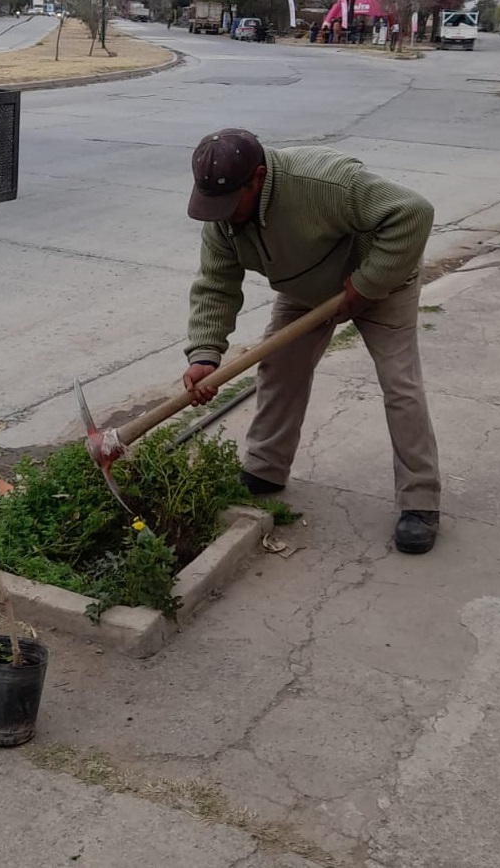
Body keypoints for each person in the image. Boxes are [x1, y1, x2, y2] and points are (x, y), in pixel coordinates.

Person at [182, 128, 442, 554]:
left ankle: (420, 502)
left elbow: (413, 212)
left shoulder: (323, 182)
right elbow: (215, 283)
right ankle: (265, 468)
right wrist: (206, 355)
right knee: (280, 367)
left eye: (230, 203)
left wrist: (366, 285)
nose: (223, 215)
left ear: (258, 177)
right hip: (307, 290)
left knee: (400, 385)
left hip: (382, 278)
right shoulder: (224, 220)